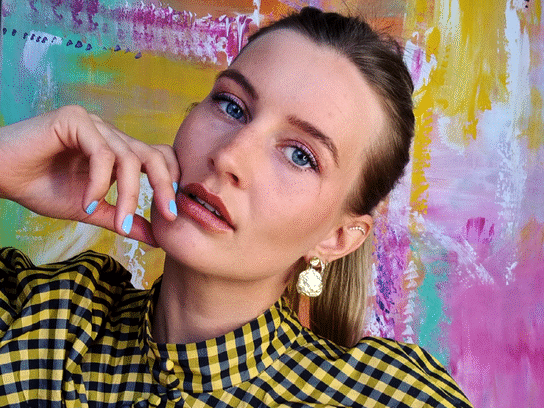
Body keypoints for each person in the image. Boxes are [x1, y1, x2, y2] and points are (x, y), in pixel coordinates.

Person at [0, 7, 473, 408]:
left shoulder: (395, 398)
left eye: (300, 155)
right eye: (231, 106)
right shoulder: (43, 318)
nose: (229, 156)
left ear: (337, 238)